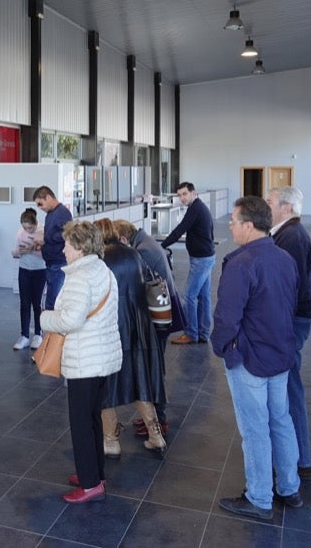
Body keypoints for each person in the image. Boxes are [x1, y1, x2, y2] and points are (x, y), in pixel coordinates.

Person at [213, 196, 303, 521]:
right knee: (280, 419)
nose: (231, 227)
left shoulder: (241, 262)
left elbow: (227, 317)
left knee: (254, 428)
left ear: (249, 226)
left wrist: (222, 347)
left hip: (250, 357)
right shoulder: (284, 258)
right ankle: (290, 487)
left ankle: (260, 497)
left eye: (234, 223)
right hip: (280, 352)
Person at [40, 221, 121, 503]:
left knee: (81, 422)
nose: (63, 249)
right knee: (92, 418)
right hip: (102, 356)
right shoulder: (103, 270)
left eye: (67, 244)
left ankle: (90, 484)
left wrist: (44, 317)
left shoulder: (80, 276)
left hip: (85, 359)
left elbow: (69, 320)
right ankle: (94, 473)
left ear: (80, 247)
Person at [93, 219, 165, 461]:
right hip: (140, 324)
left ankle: (111, 440)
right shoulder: (134, 254)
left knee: (107, 384)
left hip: (113, 326)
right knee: (140, 379)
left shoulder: (100, 260)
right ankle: (156, 435)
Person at [266, 186, 311, 484]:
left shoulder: (292, 237)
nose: (267, 206)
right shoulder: (287, 234)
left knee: (289, 389)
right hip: (290, 319)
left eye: (270, 202)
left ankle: (298, 458)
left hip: (290, 321)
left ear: (286, 207)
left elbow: (289, 285)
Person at [115, 220, 180, 438]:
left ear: (124, 239)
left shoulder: (141, 251)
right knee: (155, 366)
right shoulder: (147, 242)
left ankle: (158, 420)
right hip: (164, 311)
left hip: (157, 316)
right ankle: (154, 417)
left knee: (154, 368)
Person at [163, 182, 215, 345]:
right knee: (203, 296)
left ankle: (191, 333)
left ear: (194, 193)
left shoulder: (196, 208)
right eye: (179, 195)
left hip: (201, 259)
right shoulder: (199, 207)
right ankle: (203, 332)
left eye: (185, 194)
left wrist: (161, 246)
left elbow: (179, 230)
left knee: (189, 296)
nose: (182, 198)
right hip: (206, 257)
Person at [11, 208, 45, 350]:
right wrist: (19, 251)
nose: (27, 230)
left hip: (40, 270)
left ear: (36, 223)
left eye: (30, 228)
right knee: (24, 303)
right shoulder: (20, 233)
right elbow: (14, 252)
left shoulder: (43, 231)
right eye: (25, 228)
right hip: (24, 269)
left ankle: (38, 334)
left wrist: (33, 250)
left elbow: (46, 254)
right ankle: (24, 335)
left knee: (37, 303)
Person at [33, 186, 72, 310]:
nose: (40, 208)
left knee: (53, 302)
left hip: (58, 263)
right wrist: (43, 244)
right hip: (51, 263)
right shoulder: (50, 214)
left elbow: (67, 234)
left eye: (40, 203)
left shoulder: (62, 213)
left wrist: (46, 239)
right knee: (50, 300)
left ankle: (52, 328)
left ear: (48, 197)